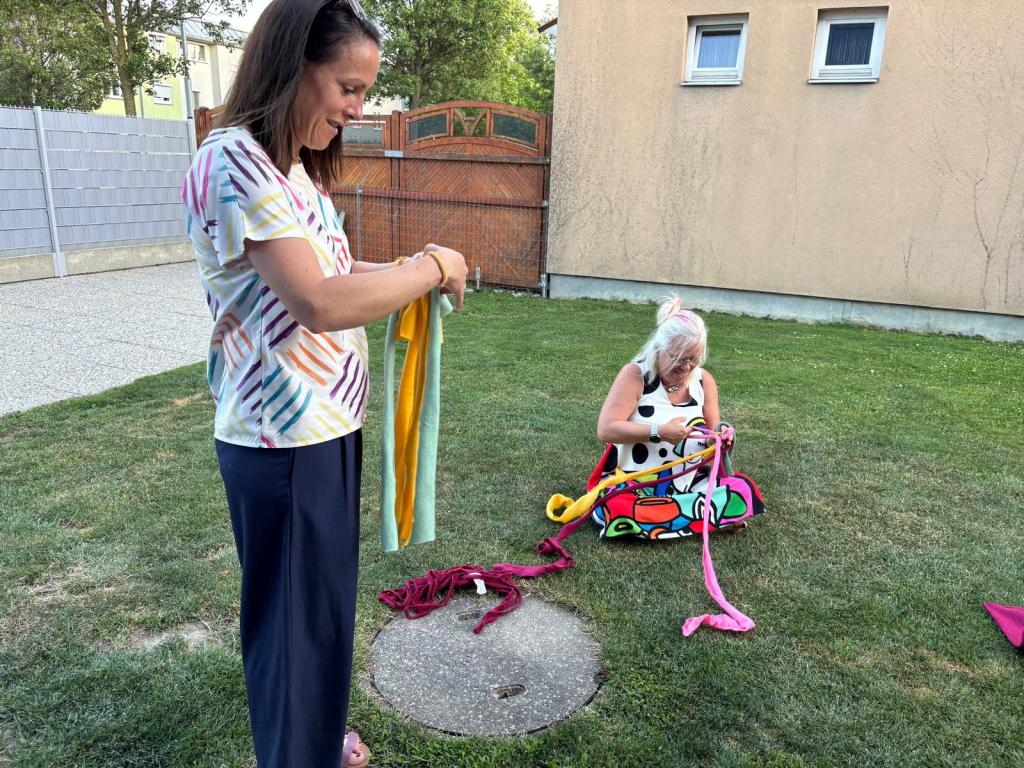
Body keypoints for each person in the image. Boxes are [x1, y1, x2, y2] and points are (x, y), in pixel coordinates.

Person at [180, 1, 467, 765]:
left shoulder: (295, 171)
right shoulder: (234, 160)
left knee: (320, 614)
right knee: (291, 626)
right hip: (280, 442)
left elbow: (335, 271)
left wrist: (410, 268)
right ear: (292, 66)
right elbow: (318, 302)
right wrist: (428, 268)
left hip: (324, 430)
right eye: (347, 87)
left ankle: (315, 739)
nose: (356, 109)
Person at [594, 296, 761, 539]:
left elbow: (712, 441)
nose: (686, 367)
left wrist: (721, 440)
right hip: (636, 485)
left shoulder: (704, 381)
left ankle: (673, 519)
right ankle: (703, 518)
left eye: (694, 359)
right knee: (616, 505)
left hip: (689, 482)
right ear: (658, 347)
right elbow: (606, 429)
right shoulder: (635, 375)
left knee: (742, 490)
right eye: (679, 358)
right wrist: (658, 432)